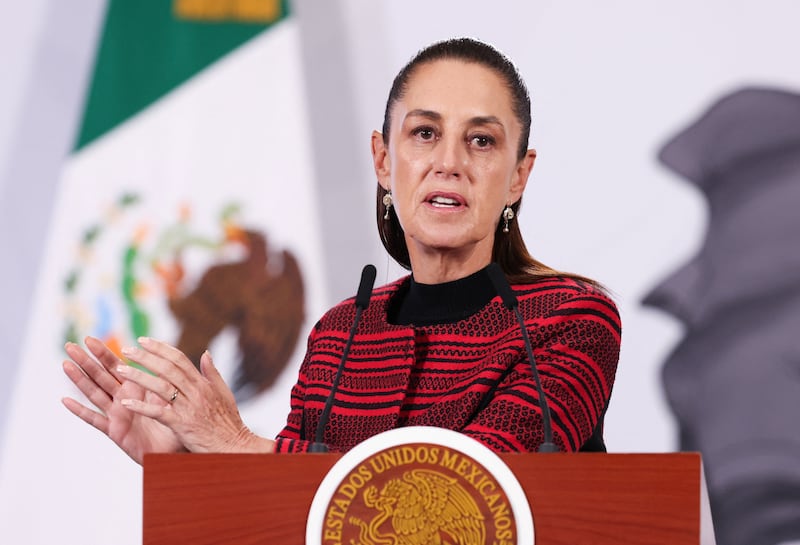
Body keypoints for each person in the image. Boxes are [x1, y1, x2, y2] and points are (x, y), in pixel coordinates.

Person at [62, 38, 621, 462]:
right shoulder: (339, 334)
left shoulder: (570, 319)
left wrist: (233, 444)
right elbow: (284, 516)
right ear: (383, 160)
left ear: (519, 176)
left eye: (481, 140)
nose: (449, 161)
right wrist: (181, 461)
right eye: (424, 133)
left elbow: (470, 491)